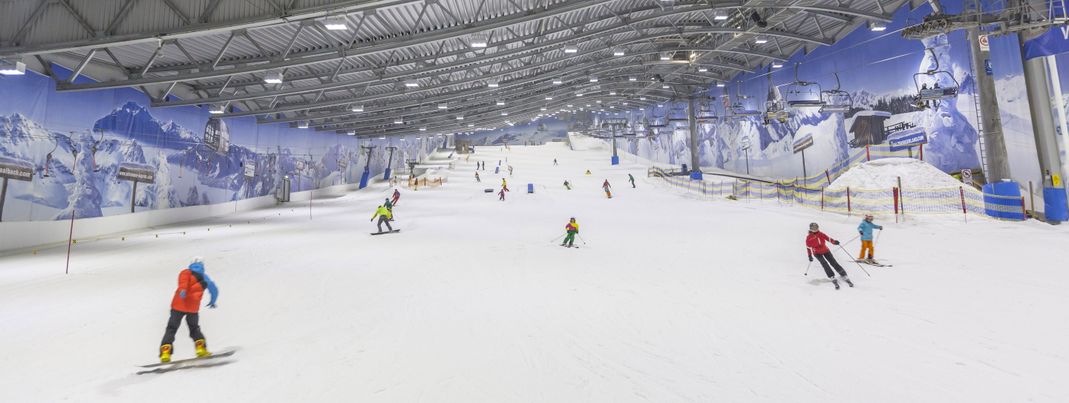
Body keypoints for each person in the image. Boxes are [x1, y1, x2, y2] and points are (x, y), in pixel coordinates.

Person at [159, 257, 218, 363]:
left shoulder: (186, 272)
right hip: (193, 308)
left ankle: (165, 352)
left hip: (178, 305)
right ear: (202, 267)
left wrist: (182, 290)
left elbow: (183, 282)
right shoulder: (205, 278)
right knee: (194, 328)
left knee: (171, 328)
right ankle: (200, 348)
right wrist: (213, 301)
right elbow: (214, 289)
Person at [806, 223, 852, 289]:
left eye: (816, 228)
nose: (815, 229)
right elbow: (808, 247)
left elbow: (828, 239)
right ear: (810, 229)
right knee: (824, 264)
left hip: (825, 250)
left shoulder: (821, 234)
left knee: (833, 262)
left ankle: (843, 274)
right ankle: (831, 276)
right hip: (817, 253)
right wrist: (810, 255)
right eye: (813, 228)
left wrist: (834, 242)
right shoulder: (809, 238)